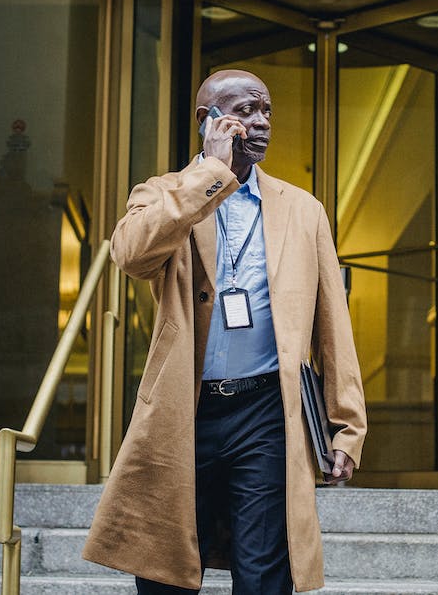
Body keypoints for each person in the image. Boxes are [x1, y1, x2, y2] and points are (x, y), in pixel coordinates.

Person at [81, 69, 367, 594]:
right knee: (165, 571)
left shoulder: (303, 210)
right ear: (207, 120)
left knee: (265, 575)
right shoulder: (164, 193)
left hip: (264, 413)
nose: (260, 123)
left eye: (266, 111)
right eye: (244, 111)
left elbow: (333, 325)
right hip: (183, 410)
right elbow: (132, 256)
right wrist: (210, 171)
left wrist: (346, 423)